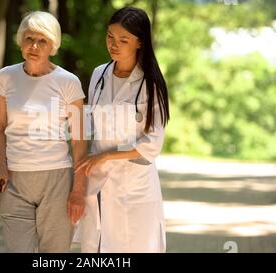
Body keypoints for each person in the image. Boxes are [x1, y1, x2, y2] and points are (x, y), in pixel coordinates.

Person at [0, 11, 86, 253]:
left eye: (42, 40)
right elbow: (0, 127)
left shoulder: (68, 82)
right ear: (21, 41)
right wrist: (0, 165)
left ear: (53, 45)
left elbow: (80, 140)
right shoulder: (6, 77)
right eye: (29, 38)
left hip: (56, 180)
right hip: (14, 180)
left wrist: (78, 190)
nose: (34, 46)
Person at [74, 7, 170, 253]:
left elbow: (152, 143)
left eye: (123, 40)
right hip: (98, 181)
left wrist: (107, 155)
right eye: (110, 36)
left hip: (135, 186)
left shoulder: (151, 83)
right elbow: (88, 125)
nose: (113, 45)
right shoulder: (99, 75)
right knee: (97, 251)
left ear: (140, 42)